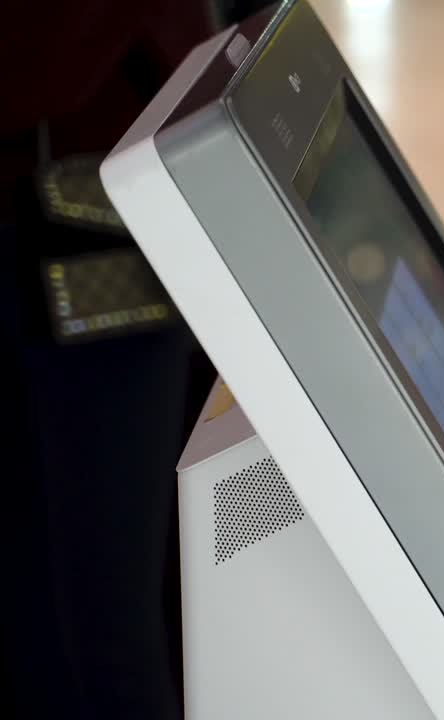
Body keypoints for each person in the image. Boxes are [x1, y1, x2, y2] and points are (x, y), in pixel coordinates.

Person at [1, 2, 273, 717]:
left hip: (103, 253)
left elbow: (45, 67)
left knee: (109, 620)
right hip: (78, 231)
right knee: (43, 608)